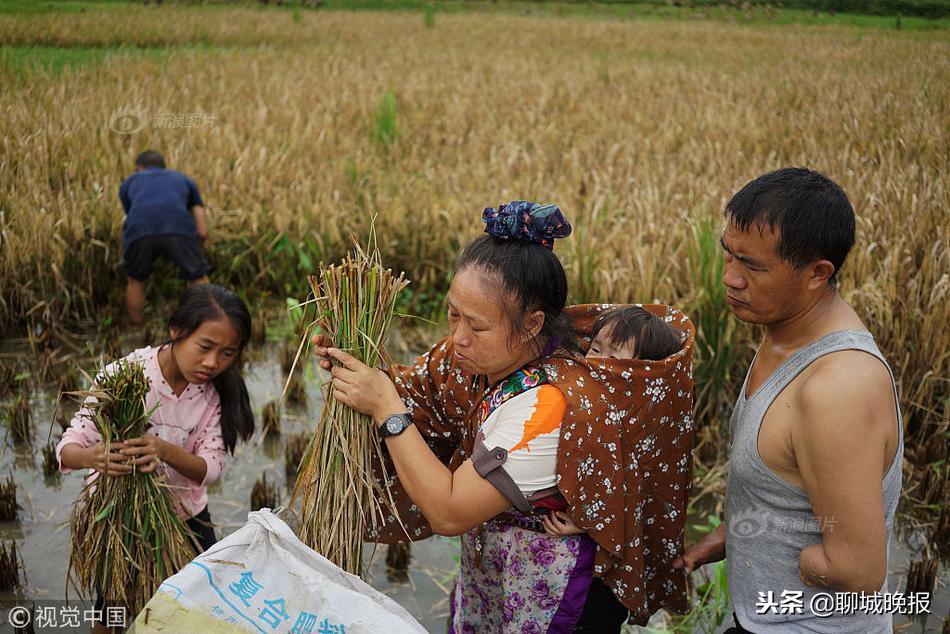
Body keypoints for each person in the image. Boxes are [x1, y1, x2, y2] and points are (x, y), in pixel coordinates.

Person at [312, 201, 696, 632]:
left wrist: (385, 408)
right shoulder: (477, 358)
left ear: (532, 325)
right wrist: (357, 371)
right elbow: (416, 390)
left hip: (556, 591)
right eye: (453, 314)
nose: (457, 337)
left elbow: (450, 510)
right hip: (494, 564)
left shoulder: (549, 409)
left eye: (475, 327)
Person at [672, 168, 903, 633]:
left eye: (752, 266)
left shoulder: (837, 389)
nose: (730, 278)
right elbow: (791, 491)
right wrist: (728, 540)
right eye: (729, 255)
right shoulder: (783, 331)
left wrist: (782, 566)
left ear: (818, 273)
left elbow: (858, 571)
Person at [57, 284, 255, 633]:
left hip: (186, 517)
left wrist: (166, 452)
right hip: (121, 521)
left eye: (228, 353)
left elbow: (210, 469)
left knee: (203, 607)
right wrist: (95, 457)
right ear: (176, 331)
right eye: (205, 347)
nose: (212, 363)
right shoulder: (125, 377)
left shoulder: (213, 394)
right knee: (111, 613)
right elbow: (68, 447)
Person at [542, 306, 684, 538]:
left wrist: (588, 523)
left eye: (614, 358)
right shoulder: (576, 390)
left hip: (576, 537)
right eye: (595, 349)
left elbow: (629, 491)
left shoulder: (635, 427)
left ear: (640, 375)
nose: (597, 362)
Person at [119, 150, 211, 324]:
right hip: (179, 230)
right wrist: (197, 249)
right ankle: (208, 322)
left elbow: (132, 214)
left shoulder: (128, 183)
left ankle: (137, 329)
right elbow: (202, 229)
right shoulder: (183, 179)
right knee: (198, 277)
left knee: (135, 280)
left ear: (138, 168)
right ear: (164, 167)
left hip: (140, 231)